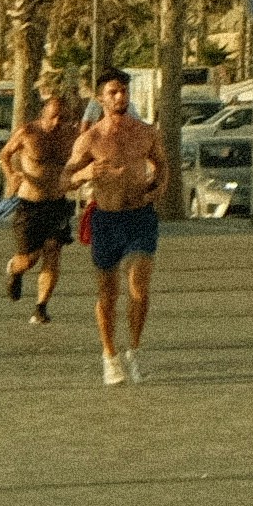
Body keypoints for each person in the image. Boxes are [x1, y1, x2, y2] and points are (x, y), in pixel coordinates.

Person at [74, 76, 171, 389]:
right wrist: (87, 172)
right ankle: (109, 354)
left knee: (139, 286)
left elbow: (162, 164)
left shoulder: (145, 132)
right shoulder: (90, 139)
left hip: (140, 217)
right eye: (112, 92)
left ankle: (134, 350)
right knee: (108, 294)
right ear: (101, 99)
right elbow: (66, 177)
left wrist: (157, 188)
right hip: (106, 218)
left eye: (123, 91)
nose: (119, 97)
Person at [1, 93, 79, 326]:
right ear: (43, 115)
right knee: (30, 259)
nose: (57, 123)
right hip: (29, 204)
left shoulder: (72, 136)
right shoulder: (27, 133)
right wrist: (11, 175)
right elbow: (5, 154)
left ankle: (41, 306)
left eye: (63, 118)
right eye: (53, 117)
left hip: (57, 203)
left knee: (53, 250)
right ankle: (15, 270)